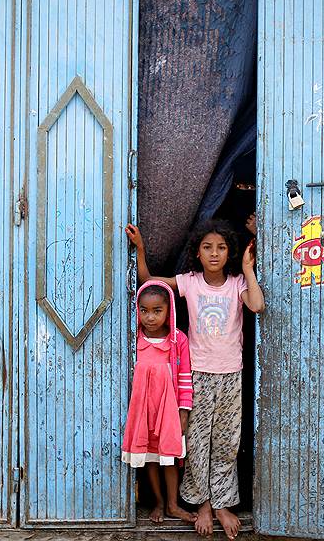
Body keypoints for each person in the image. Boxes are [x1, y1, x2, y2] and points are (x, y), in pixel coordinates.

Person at [125, 220, 265, 540]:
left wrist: (247, 267)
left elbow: (257, 304)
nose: (214, 254)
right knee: (198, 444)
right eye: (207, 247)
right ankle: (202, 503)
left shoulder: (237, 283)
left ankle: (223, 505)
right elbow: (148, 281)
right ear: (197, 253)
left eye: (221, 248)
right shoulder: (190, 283)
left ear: (229, 252)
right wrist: (142, 248)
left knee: (227, 444)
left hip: (231, 374)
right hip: (198, 374)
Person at [121, 281, 198, 524]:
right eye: (144, 311)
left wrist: (184, 410)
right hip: (143, 409)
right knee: (150, 457)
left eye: (157, 311)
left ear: (169, 311)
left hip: (168, 409)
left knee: (170, 458)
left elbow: (185, 376)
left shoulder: (177, 341)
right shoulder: (134, 339)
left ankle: (174, 504)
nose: (150, 317)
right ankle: (158, 502)